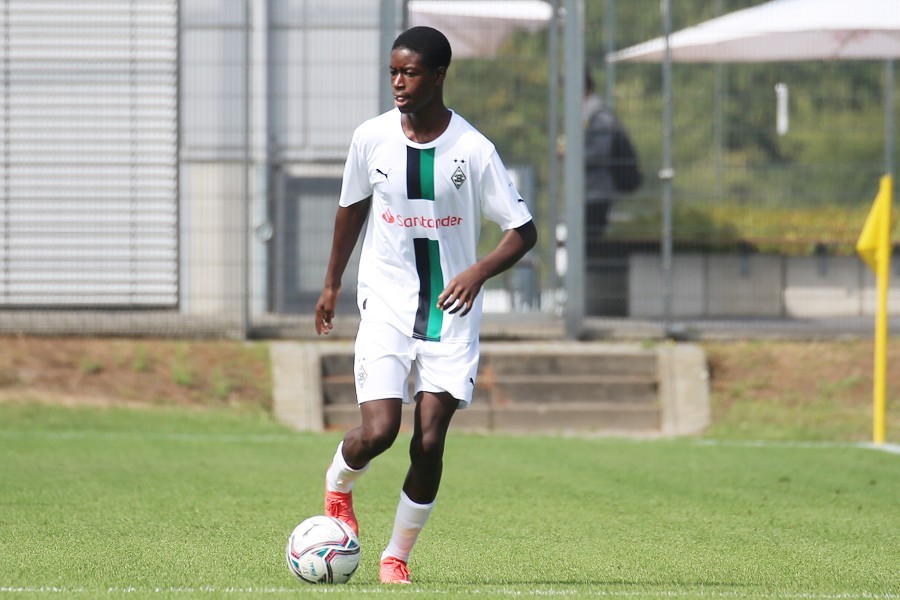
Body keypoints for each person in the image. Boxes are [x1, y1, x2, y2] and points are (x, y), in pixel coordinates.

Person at [313, 26, 537, 585]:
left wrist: (479, 271)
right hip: (386, 300)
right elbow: (351, 209)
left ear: (438, 76)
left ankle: (396, 555)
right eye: (393, 71)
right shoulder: (371, 138)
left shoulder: (473, 150)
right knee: (381, 431)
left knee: (430, 438)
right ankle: (339, 487)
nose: (398, 83)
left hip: (449, 311)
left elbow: (523, 231)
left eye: (409, 73)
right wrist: (331, 284)